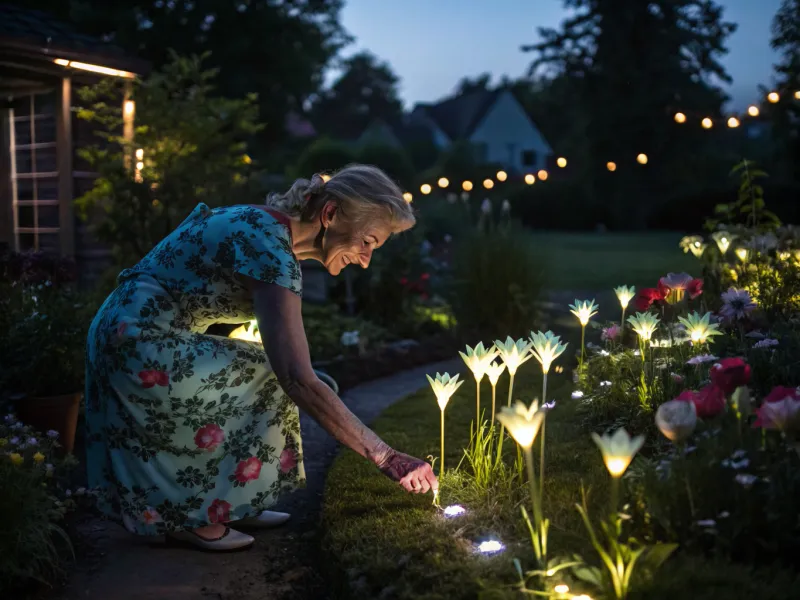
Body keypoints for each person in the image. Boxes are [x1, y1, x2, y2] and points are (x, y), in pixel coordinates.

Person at [85, 164, 438, 551]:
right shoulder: (270, 251)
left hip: (125, 334)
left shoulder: (268, 231)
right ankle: (194, 514)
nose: (366, 259)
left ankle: (230, 501)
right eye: (367, 241)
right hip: (136, 342)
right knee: (279, 375)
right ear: (331, 214)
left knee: (270, 372)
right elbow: (297, 377)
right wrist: (386, 456)